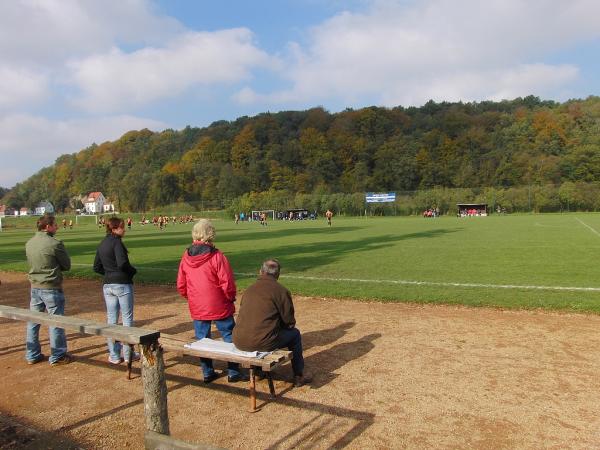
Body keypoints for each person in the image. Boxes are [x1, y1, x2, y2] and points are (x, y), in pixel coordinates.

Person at [176, 219, 248, 383]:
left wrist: (191, 297)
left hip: (198, 304)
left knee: (202, 339)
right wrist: (230, 298)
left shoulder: (186, 256)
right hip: (218, 303)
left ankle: (207, 372)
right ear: (210, 234)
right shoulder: (217, 256)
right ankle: (233, 371)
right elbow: (227, 282)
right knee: (229, 336)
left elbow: (181, 283)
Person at [233, 259, 311, 387]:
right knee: (295, 334)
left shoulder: (249, 289)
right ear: (278, 275)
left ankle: (258, 371)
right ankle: (299, 375)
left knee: (260, 330)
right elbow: (289, 322)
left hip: (238, 339)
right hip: (262, 342)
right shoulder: (281, 291)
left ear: (261, 272)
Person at [25, 214, 72, 365]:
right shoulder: (55, 243)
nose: (57, 227)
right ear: (47, 227)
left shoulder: (29, 243)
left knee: (33, 321)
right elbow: (66, 265)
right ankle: (57, 355)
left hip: (35, 286)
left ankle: (32, 354)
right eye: (54, 224)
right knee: (56, 321)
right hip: (51, 286)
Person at [93, 217, 139, 365]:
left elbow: (96, 267)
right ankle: (128, 355)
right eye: (121, 227)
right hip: (122, 284)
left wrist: (109, 274)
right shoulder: (117, 243)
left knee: (111, 321)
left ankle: (114, 355)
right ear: (113, 229)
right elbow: (123, 263)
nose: (123, 229)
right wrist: (132, 272)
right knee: (127, 319)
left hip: (108, 285)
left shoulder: (102, 243)